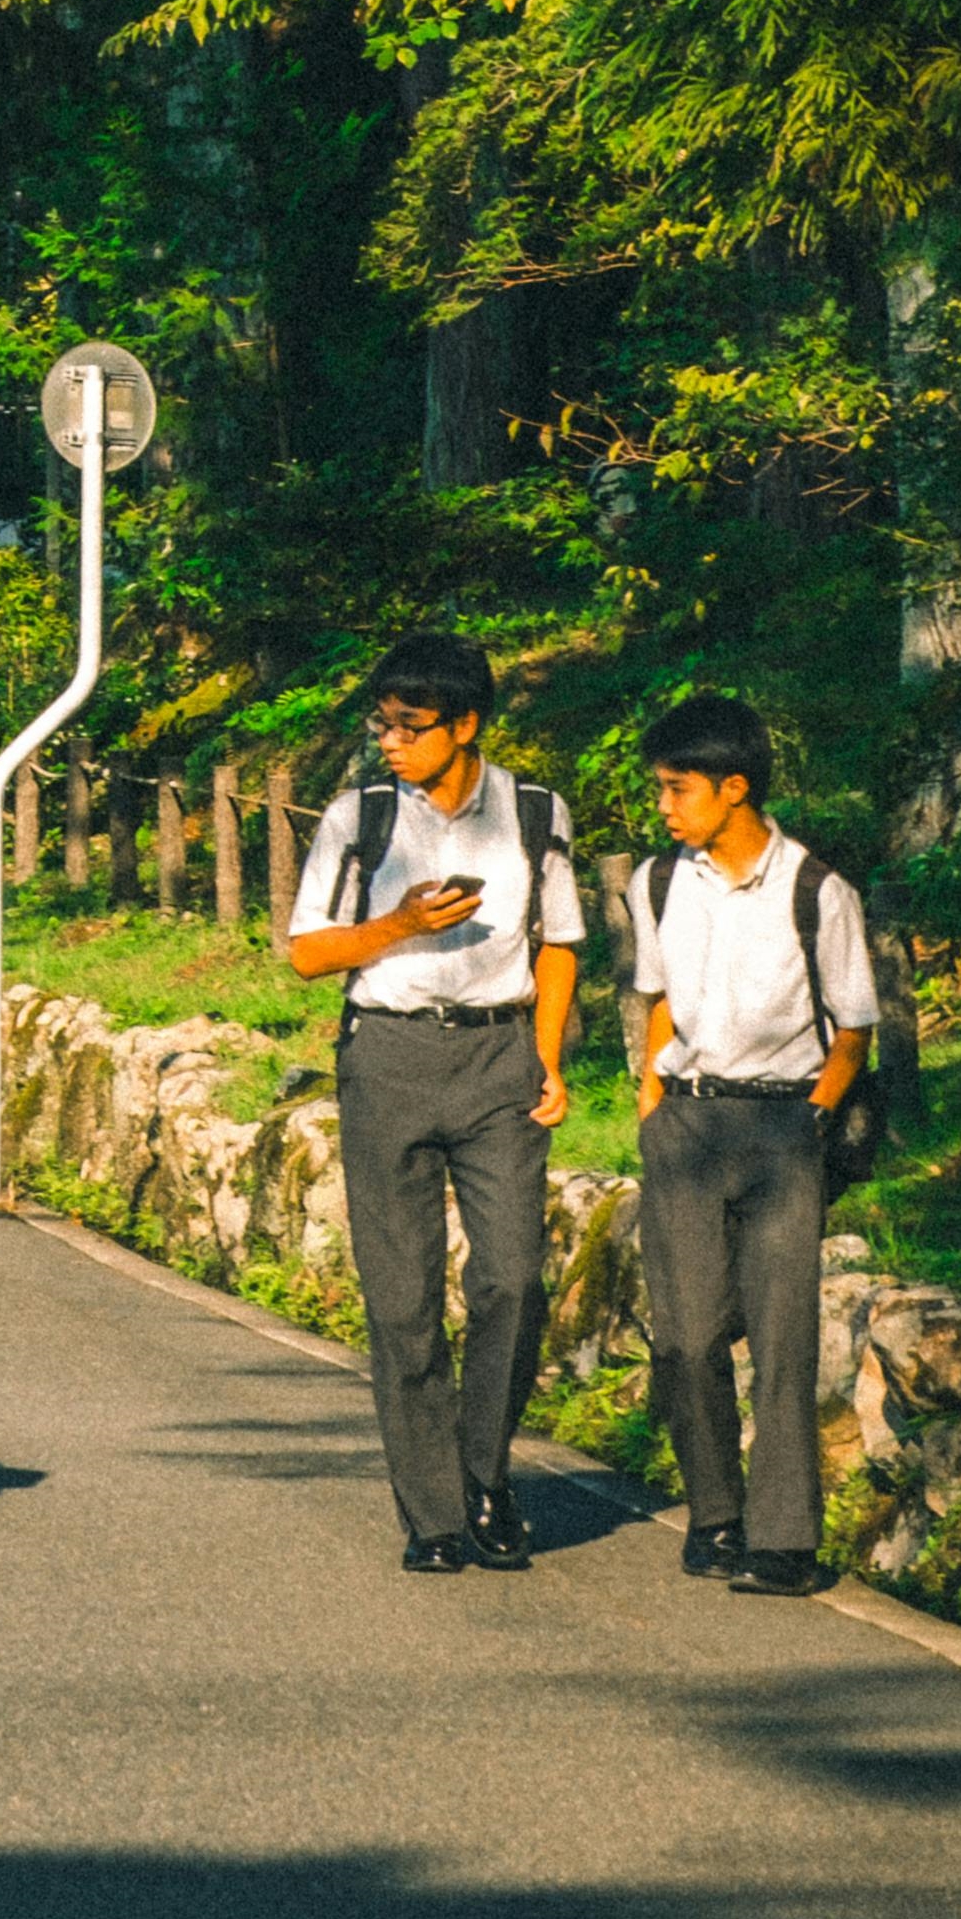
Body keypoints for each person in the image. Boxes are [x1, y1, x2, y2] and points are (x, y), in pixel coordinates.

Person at [285, 634, 586, 1575]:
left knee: (512, 1277)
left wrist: (547, 1060)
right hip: (389, 1056)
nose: (391, 742)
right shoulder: (358, 817)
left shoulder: (535, 812)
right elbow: (307, 953)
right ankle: (435, 1514)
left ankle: (485, 1473)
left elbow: (562, 942)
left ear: (467, 726)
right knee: (403, 1299)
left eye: (410, 727)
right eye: (382, 724)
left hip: (500, 1055)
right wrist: (401, 924)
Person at [627, 694, 877, 1600]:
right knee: (687, 1337)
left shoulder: (819, 891)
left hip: (782, 1129)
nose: (664, 804)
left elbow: (853, 1030)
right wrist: (653, 1100)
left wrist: (812, 1116)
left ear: (735, 789)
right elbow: (655, 1001)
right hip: (685, 1124)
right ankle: (715, 1514)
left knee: (782, 1338)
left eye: (676, 788)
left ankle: (784, 1541)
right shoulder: (656, 883)